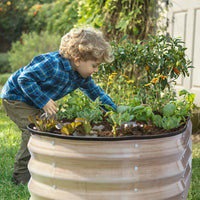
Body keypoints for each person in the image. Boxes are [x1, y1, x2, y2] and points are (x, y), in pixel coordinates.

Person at [0, 27, 117, 185]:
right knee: (34, 130)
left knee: (51, 125)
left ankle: (44, 165)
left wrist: (116, 112)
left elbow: (97, 94)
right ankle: (20, 176)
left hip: (33, 98)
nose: (95, 70)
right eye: (94, 65)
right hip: (16, 97)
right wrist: (44, 101)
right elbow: (25, 79)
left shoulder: (81, 76)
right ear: (78, 60)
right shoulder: (52, 64)